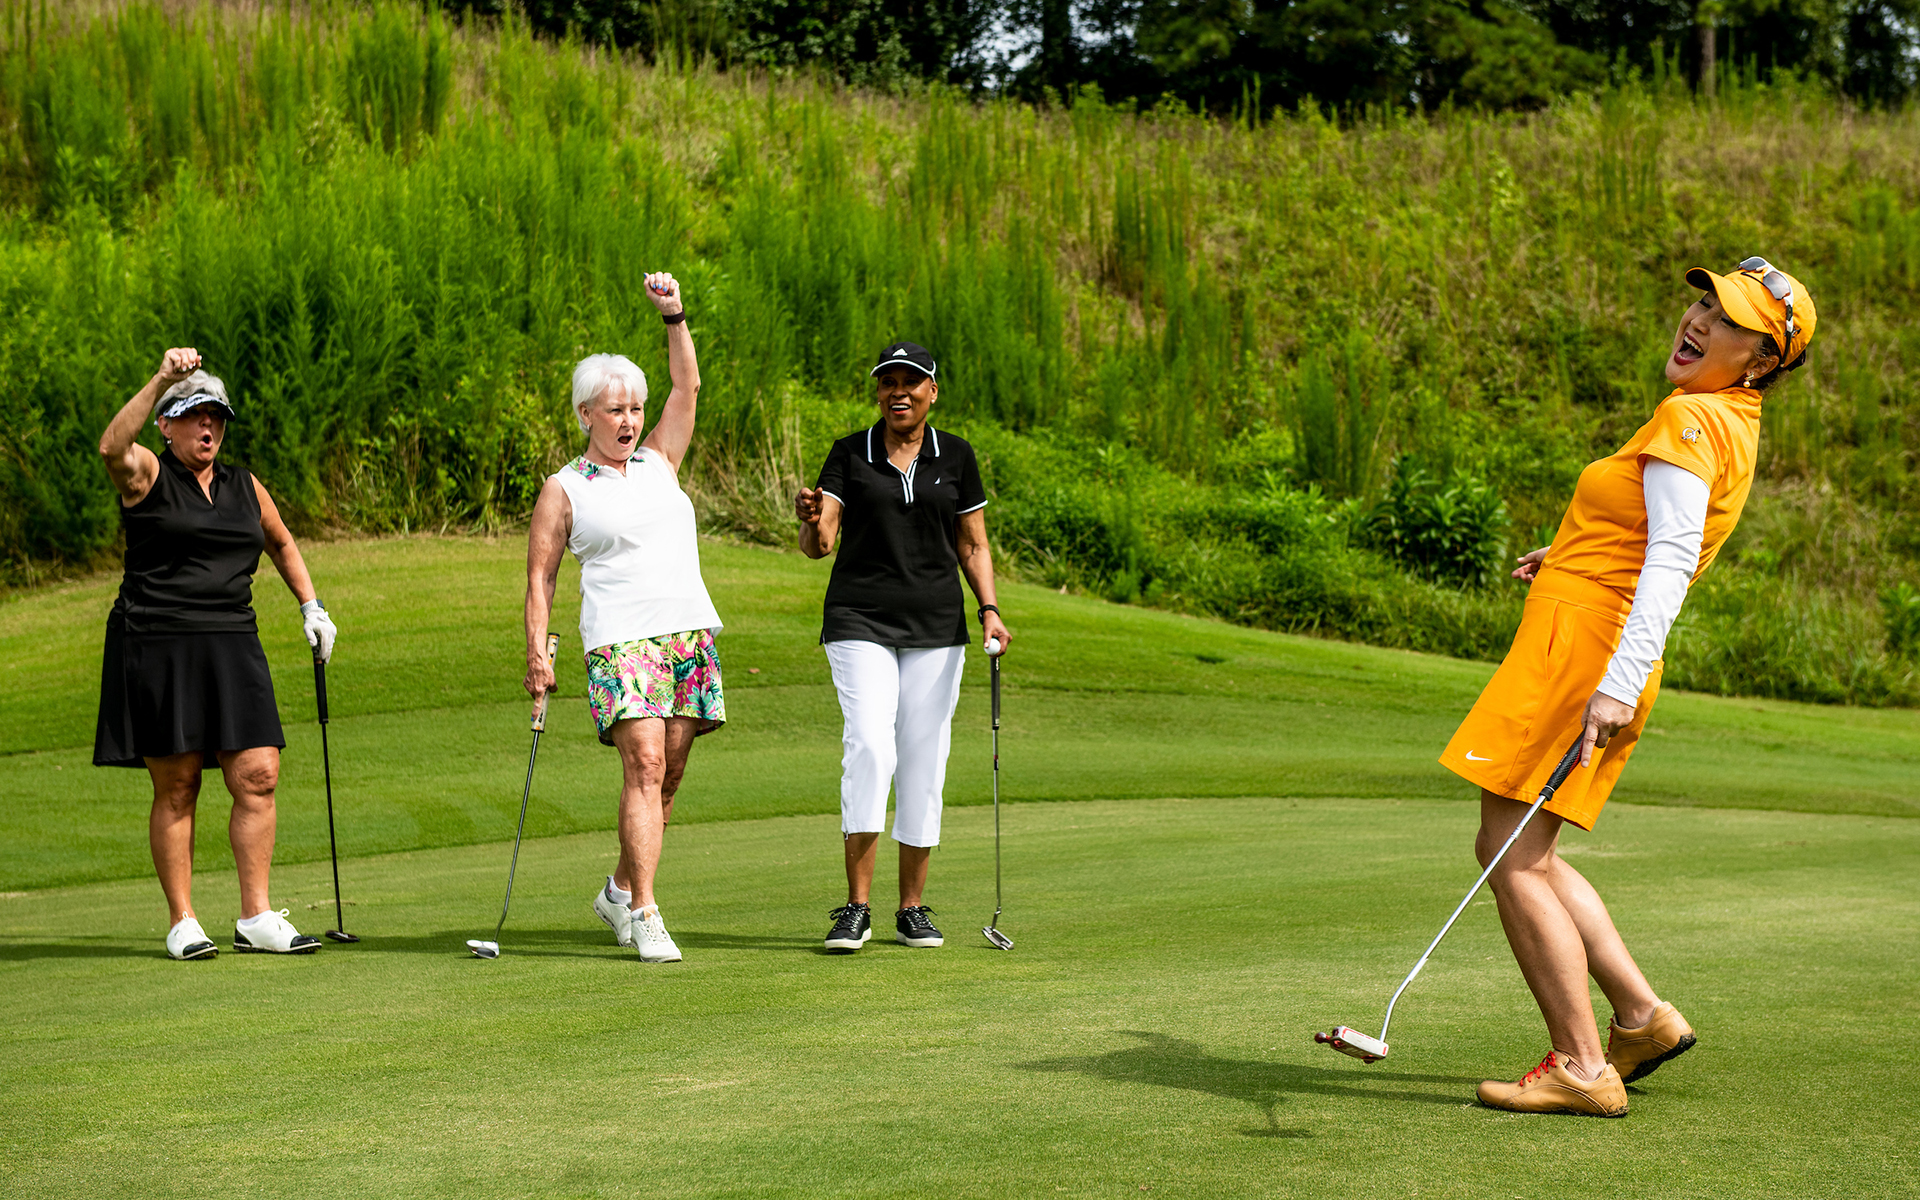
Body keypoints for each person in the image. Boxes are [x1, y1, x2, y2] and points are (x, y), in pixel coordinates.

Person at [1441, 260, 1817, 1115]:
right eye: (1703, 301)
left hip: (1586, 655)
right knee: (1530, 852)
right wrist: (1571, 553)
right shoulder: (1727, 417)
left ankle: (1582, 1066)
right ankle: (1642, 1019)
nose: (1699, 320)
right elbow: (1651, 531)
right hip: (1591, 639)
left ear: (1763, 360)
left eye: (1730, 321)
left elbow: (1673, 559)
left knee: (1510, 856)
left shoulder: (1691, 418)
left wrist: (1614, 681)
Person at [95, 348, 340, 960]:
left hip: (234, 641)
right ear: (166, 423)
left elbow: (281, 543)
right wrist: (161, 378)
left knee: (259, 774)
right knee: (178, 785)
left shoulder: (244, 485)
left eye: (217, 416)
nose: (208, 426)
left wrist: (312, 606)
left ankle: (256, 916)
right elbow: (111, 447)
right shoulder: (149, 475)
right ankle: (182, 921)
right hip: (161, 643)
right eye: (194, 414)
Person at [794, 341, 1014, 953]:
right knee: (870, 744)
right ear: (878, 392)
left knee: (924, 758)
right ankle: (856, 908)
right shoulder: (850, 452)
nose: (899, 392)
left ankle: (911, 909)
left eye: (910, 382)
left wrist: (990, 609)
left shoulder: (956, 455)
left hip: (937, 627)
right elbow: (820, 545)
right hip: (859, 618)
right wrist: (811, 518)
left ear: (931, 391)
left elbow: (973, 544)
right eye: (888, 382)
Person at [524, 272, 717, 965]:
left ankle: (618, 889)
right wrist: (537, 652)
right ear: (586, 415)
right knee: (645, 763)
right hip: (619, 640)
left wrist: (675, 316)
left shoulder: (661, 460)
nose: (630, 420)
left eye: (635, 407)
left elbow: (687, 387)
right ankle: (645, 912)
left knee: (669, 774)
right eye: (615, 410)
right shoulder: (564, 488)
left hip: (686, 632)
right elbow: (542, 577)